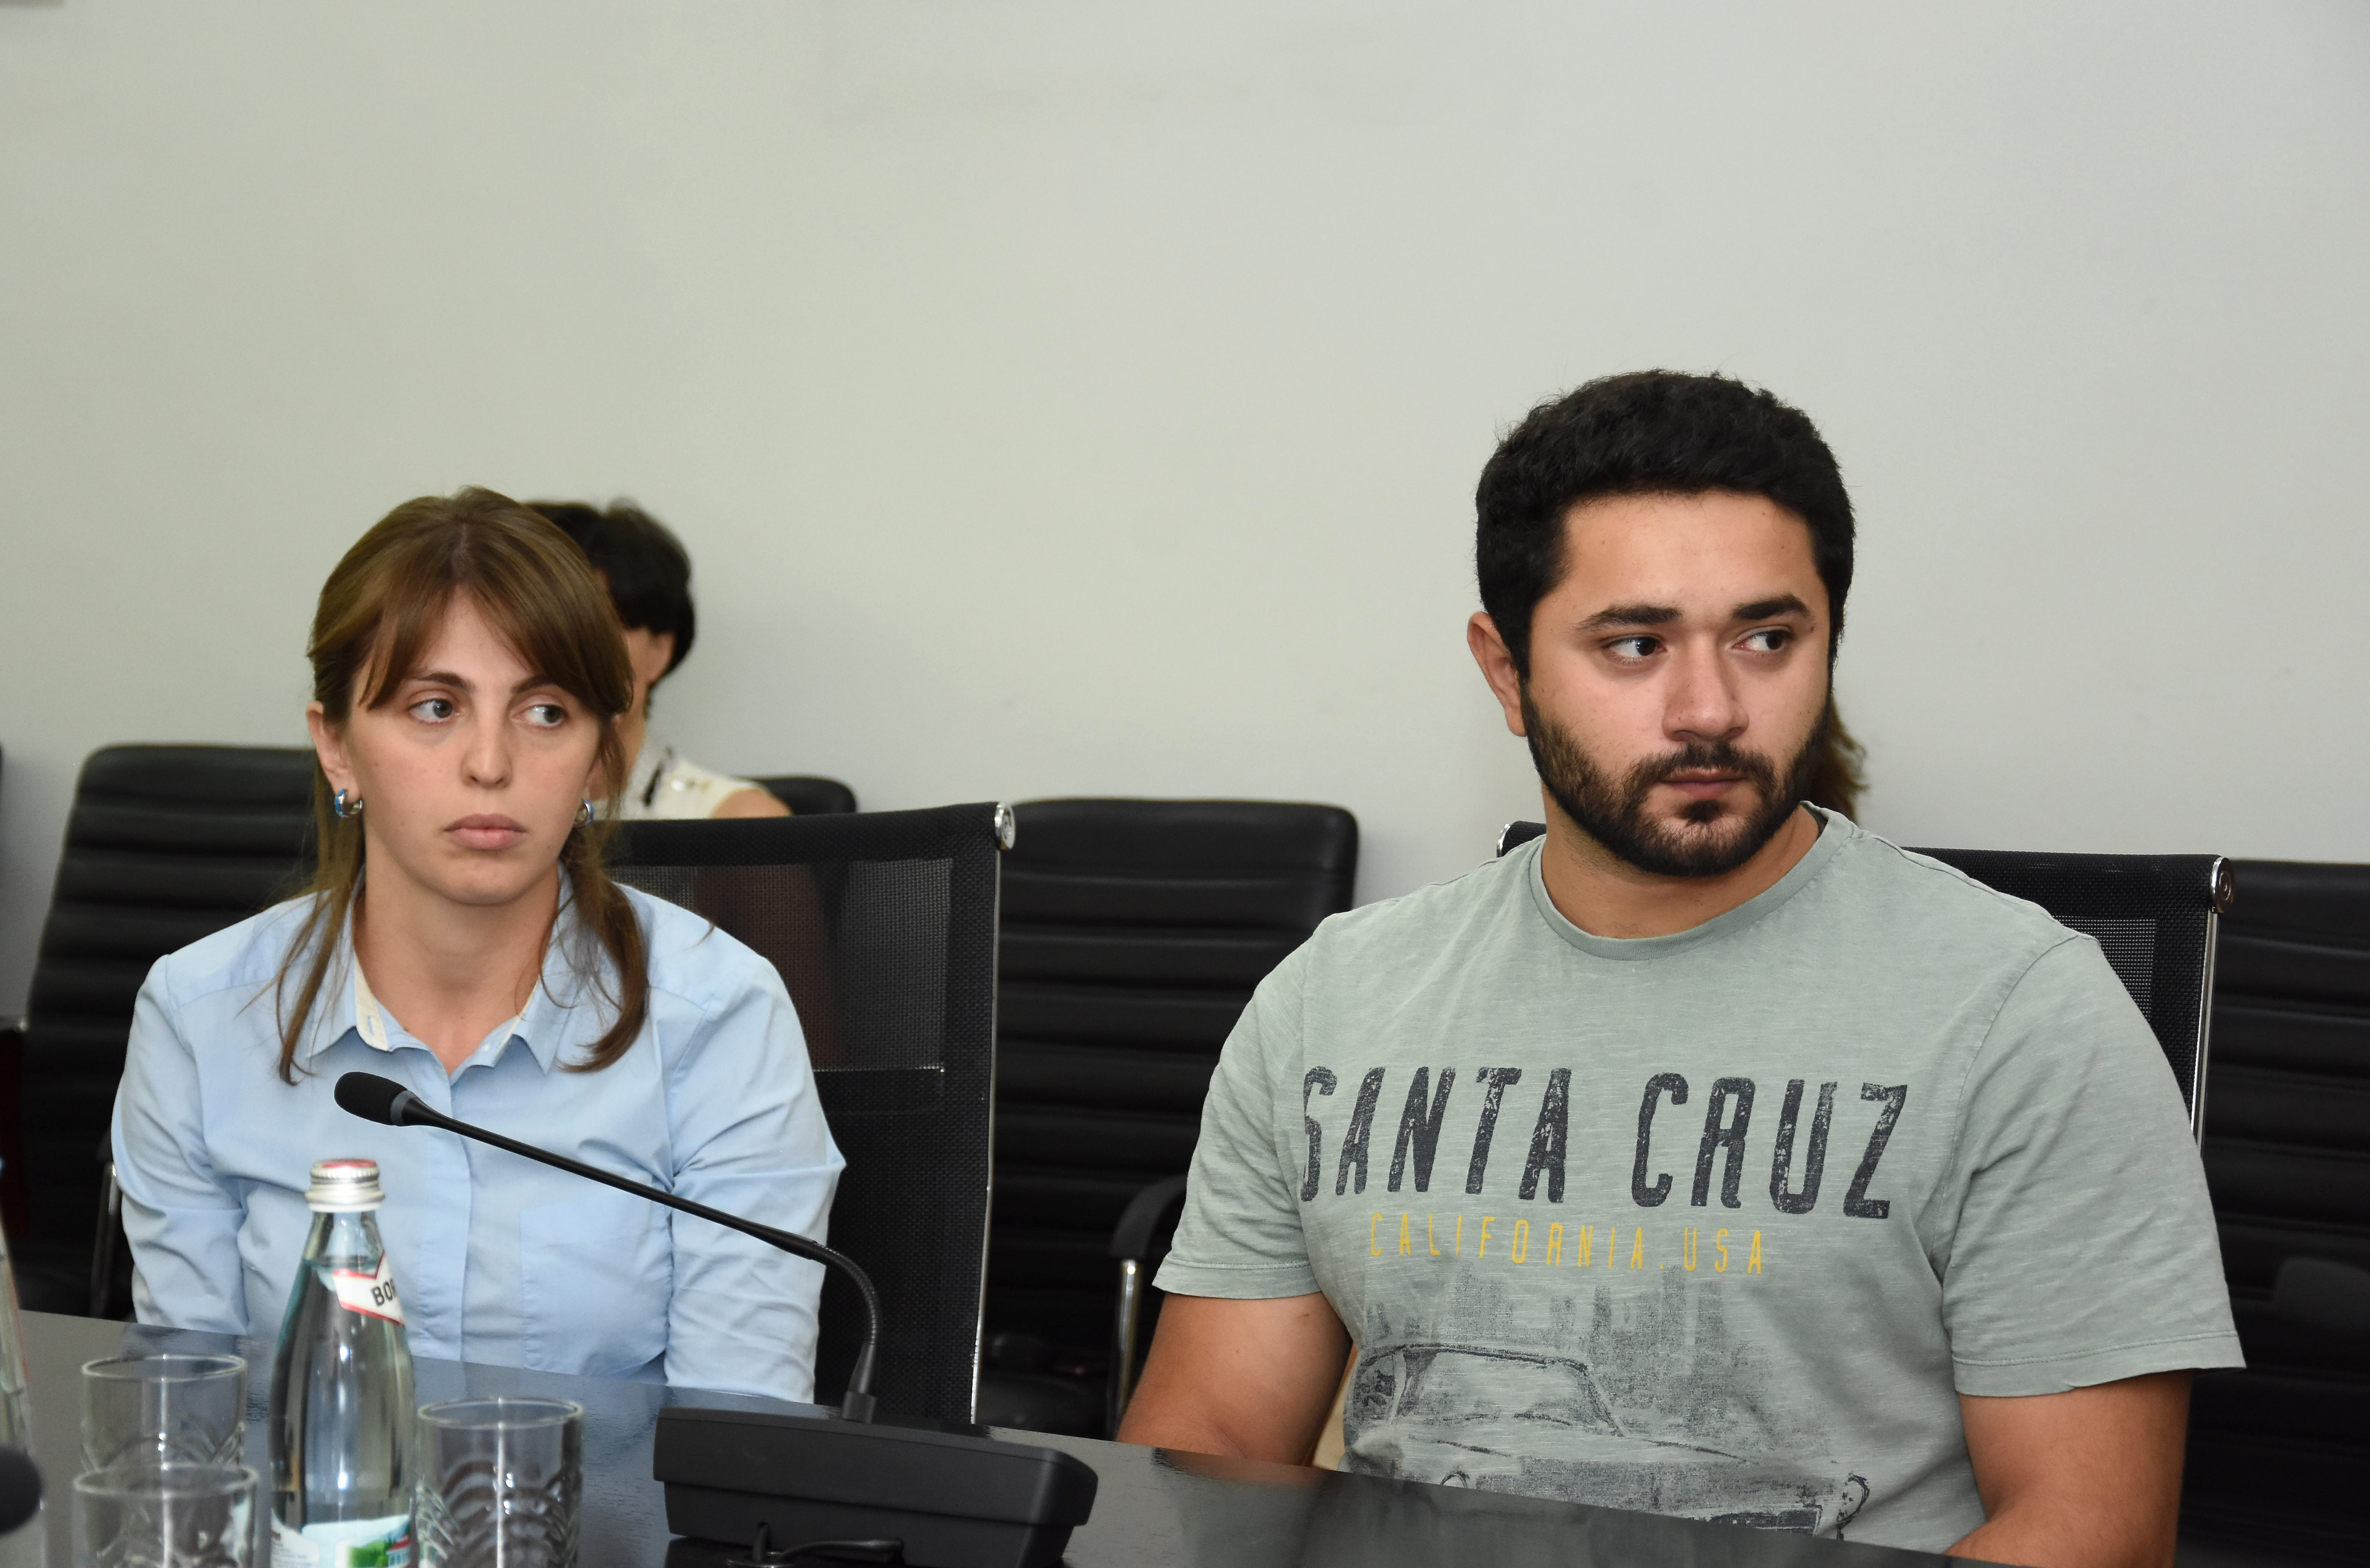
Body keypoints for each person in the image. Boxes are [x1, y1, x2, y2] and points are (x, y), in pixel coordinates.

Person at [1118, 372, 2240, 1564]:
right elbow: (1209, 1448)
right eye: (1636, 644)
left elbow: (2091, 1530)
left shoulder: (2022, 1014)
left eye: (1767, 639)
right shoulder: (1331, 1002)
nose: (1709, 709)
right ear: (1506, 670)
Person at [111, 488, 842, 1400]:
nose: (490, 763)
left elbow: (734, 1441)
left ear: (599, 755)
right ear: (336, 747)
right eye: (434, 706)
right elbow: (192, 1421)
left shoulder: (720, 1016)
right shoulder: (199, 1015)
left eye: (546, 713)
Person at [529, 500, 789, 820]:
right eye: (542, 628)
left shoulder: (740, 820)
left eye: (599, 628)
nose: (566, 653)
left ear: (659, 652)